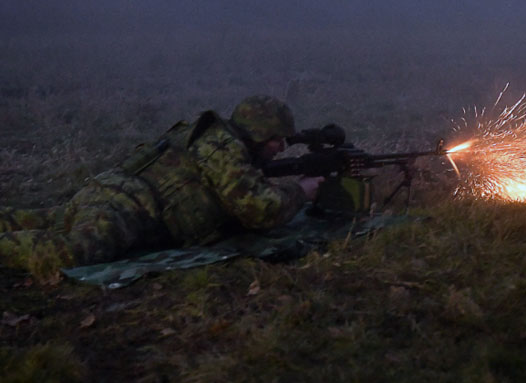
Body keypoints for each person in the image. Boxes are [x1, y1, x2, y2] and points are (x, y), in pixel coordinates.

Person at [0, 95, 324, 280]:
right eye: (276, 139)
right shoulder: (223, 147)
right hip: (127, 205)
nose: (282, 147)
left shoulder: (226, 144)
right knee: (74, 252)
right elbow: (258, 209)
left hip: (116, 197)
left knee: (38, 220)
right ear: (255, 133)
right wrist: (300, 192)